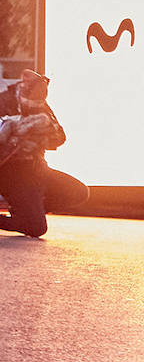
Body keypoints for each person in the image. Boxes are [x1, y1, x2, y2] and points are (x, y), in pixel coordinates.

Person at [0, 71, 87, 238]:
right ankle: (28, 215)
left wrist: (45, 133)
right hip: (12, 171)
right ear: (21, 89)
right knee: (37, 228)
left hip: (38, 168)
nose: (36, 105)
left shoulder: (40, 106)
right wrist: (13, 133)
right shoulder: (4, 102)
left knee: (78, 192)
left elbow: (60, 138)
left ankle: (28, 211)